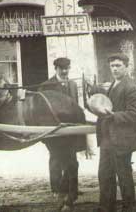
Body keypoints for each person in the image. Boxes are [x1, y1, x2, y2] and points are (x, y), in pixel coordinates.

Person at [95, 53, 136, 212]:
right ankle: (106, 208)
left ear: (126, 67)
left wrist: (113, 115)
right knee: (104, 175)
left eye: (118, 66)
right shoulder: (113, 84)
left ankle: (129, 208)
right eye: (112, 66)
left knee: (124, 176)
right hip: (107, 138)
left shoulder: (131, 87)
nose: (114, 69)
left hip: (122, 139)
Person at [38, 57, 85, 212]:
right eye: (61, 69)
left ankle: (72, 191)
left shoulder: (72, 84)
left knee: (72, 160)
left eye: (67, 69)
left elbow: (76, 106)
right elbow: (40, 110)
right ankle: (57, 191)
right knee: (57, 160)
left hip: (70, 129)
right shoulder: (47, 86)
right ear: (56, 69)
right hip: (55, 131)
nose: (65, 72)